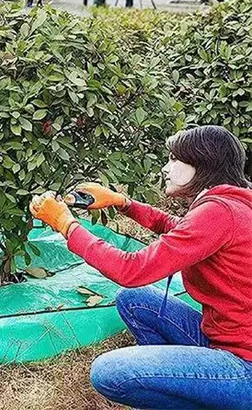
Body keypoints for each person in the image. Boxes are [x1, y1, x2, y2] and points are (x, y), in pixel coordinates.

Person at [30, 125, 252, 410]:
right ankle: (189, 384)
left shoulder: (218, 212)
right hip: (224, 339)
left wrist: (66, 225)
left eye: (174, 159)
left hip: (243, 365)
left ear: (201, 164)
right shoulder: (234, 203)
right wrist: (122, 202)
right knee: (135, 302)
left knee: (110, 372)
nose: (165, 168)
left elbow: (131, 270)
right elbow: (178, 229)